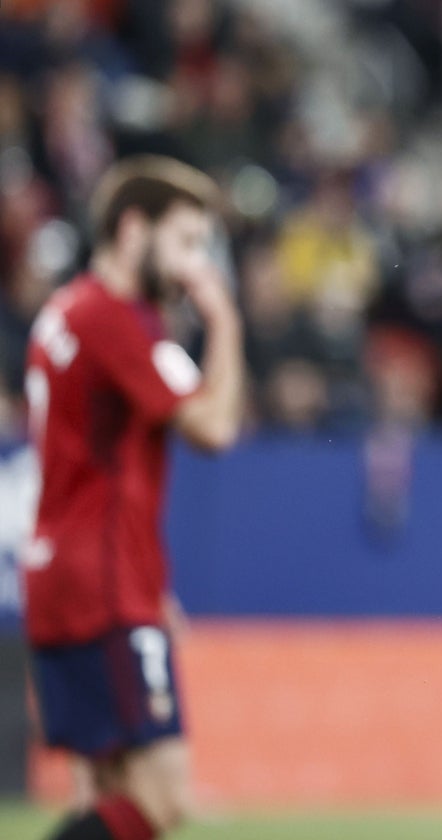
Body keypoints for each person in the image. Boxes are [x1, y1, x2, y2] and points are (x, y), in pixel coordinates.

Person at [22, 155, 244, 840]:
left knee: (103, 791)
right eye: (184, 243)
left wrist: (152, 584)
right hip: (102, 584)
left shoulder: (64, 311)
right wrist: (225, 320)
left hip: (67, 575)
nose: (192, 267)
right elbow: (214, 426)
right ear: (131, 229)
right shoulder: (116, 318)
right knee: (162, 800)